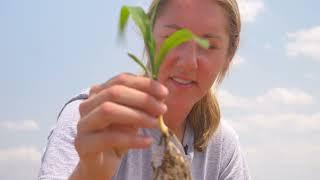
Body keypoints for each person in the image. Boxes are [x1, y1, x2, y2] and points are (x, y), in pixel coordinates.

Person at [38, 0, 250, 179]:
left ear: (229, 55)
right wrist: (88, 173)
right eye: (173, 39)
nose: (188, 62)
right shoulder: (94, 120)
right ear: (149, 37)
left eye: (207, 45)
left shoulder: (221, 145)